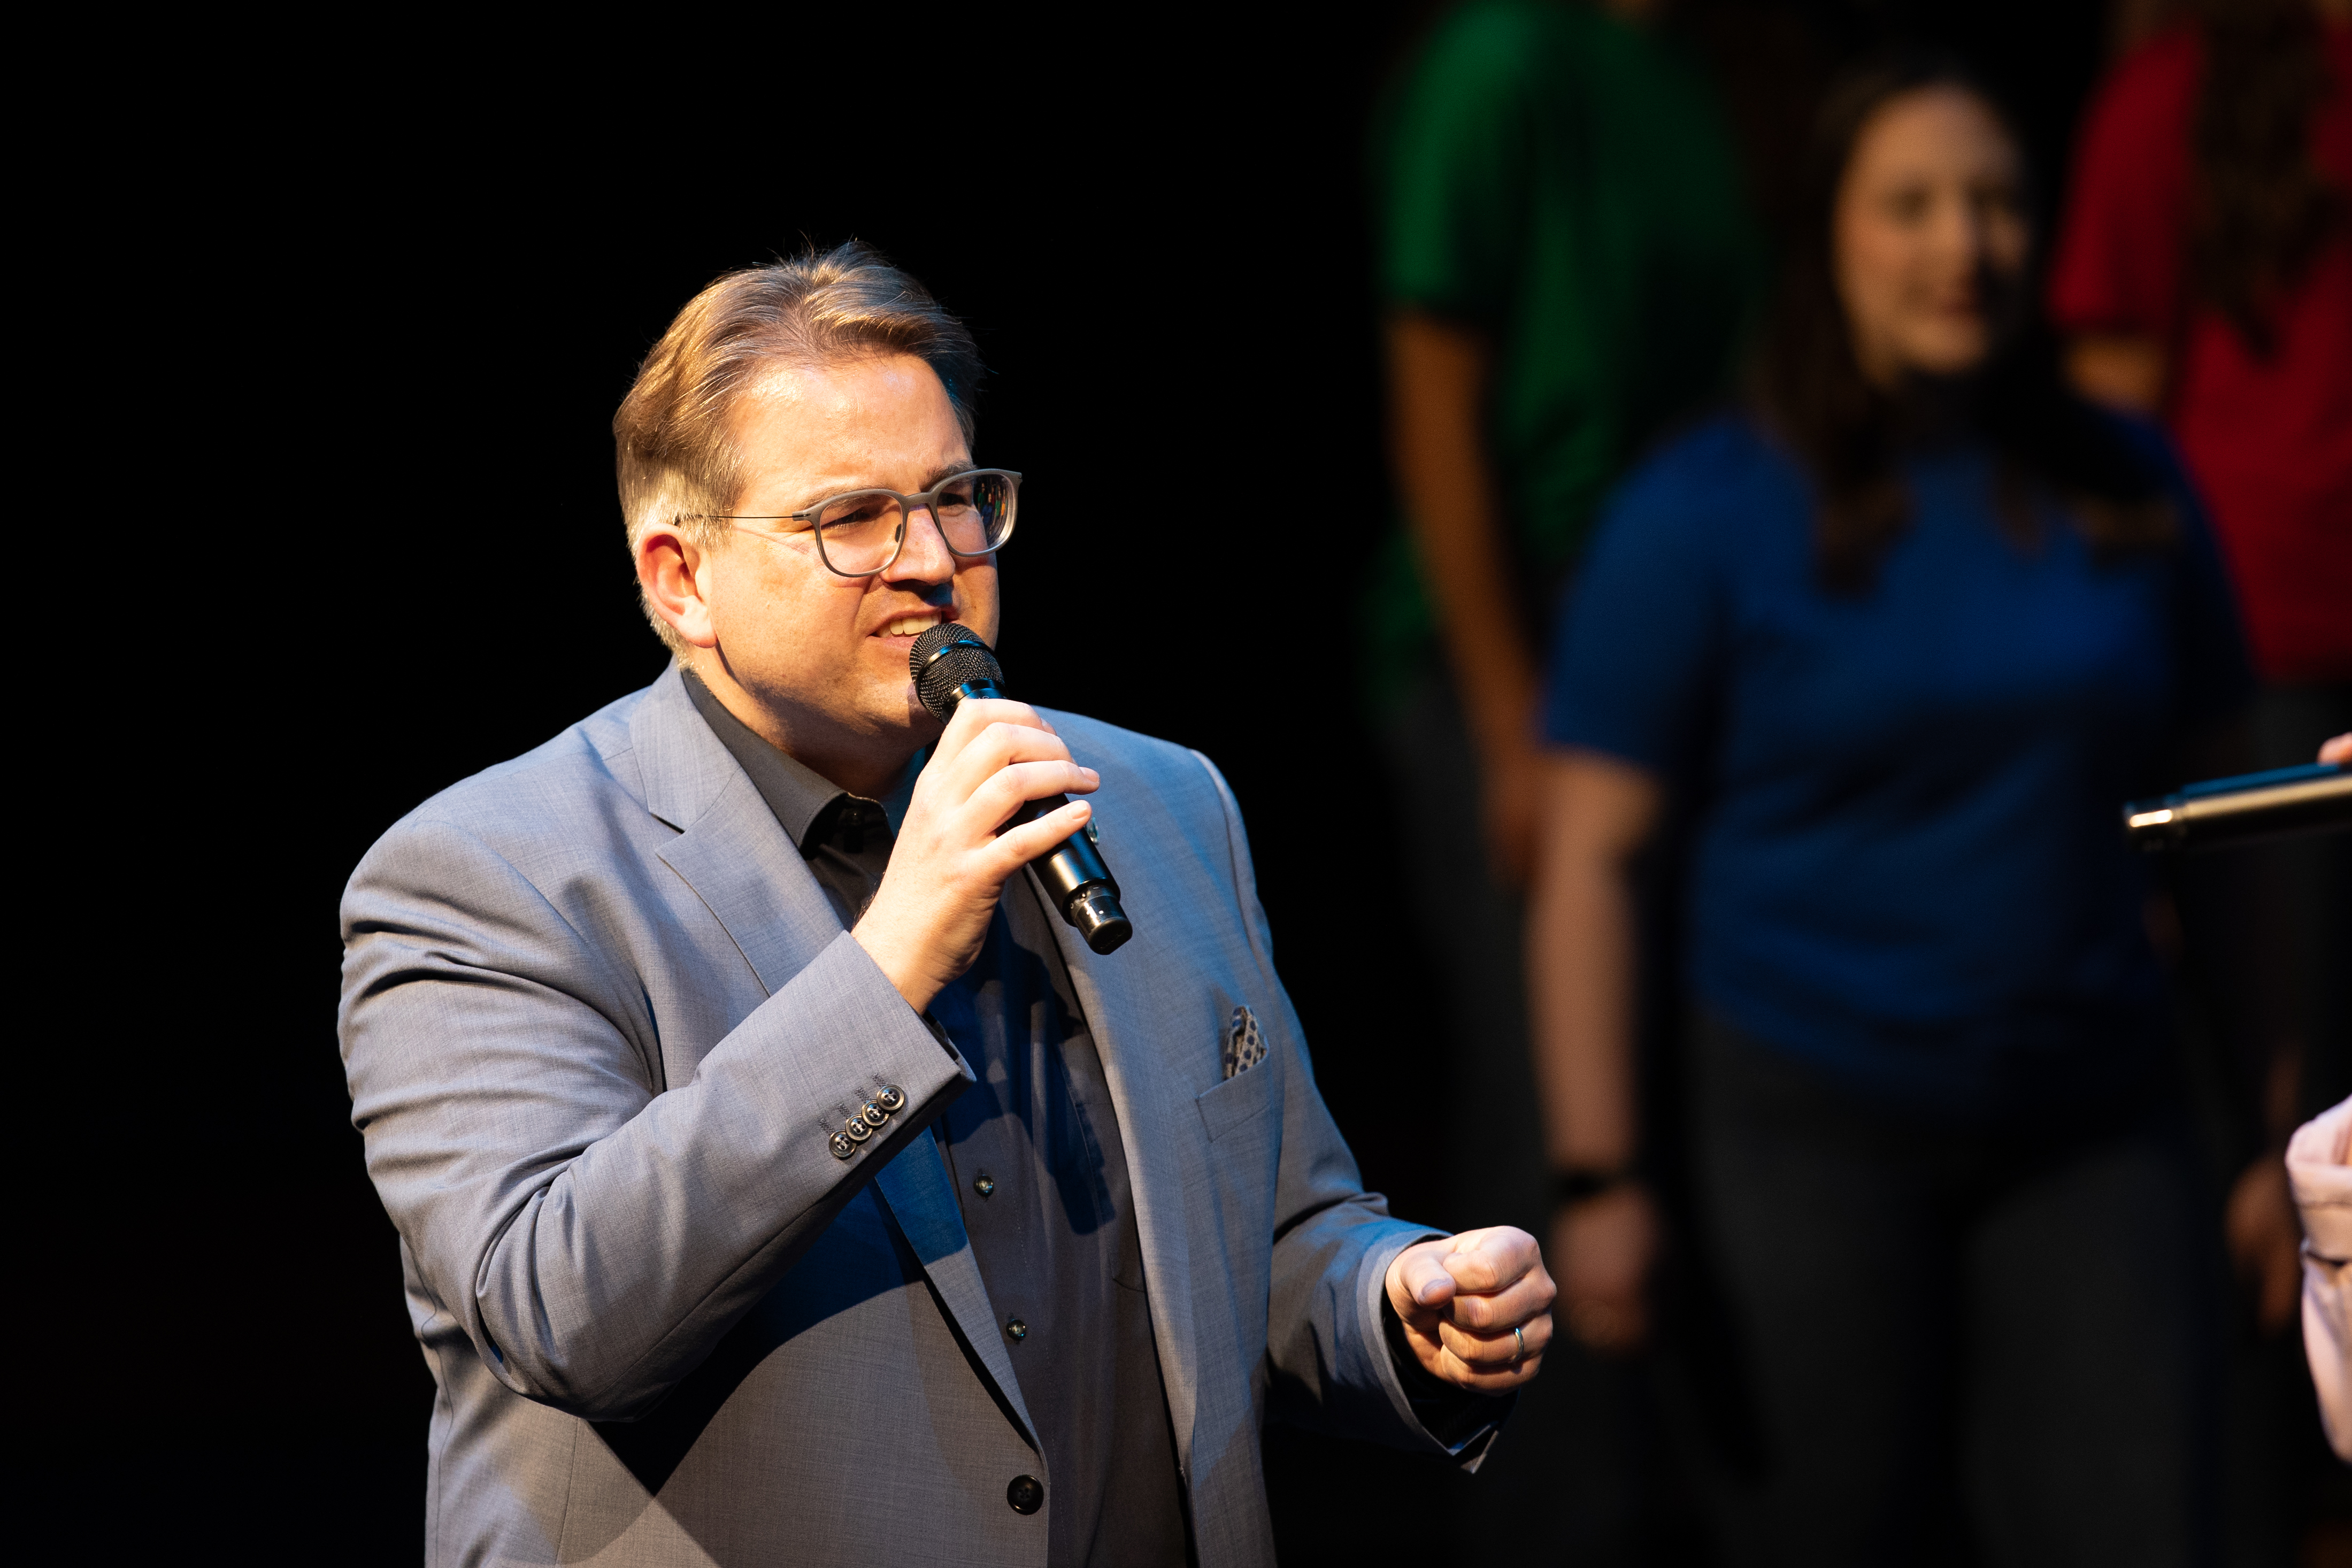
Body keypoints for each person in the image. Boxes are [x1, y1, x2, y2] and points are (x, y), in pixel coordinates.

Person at [337, 247, 1555, 1566]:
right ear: (682, 578)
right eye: (852, 518)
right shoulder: (490, 872)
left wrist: (1391, 1307)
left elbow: (1269, 1237)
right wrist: (887, 968)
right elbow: (557, 1309)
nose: (931, 560)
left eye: (958, 498)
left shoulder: (1159, 803)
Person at [1527, 56, 2249, 1564]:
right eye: (1910, 205)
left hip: (2090, 1119)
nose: (1962, 243)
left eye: (1996, 202)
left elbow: (2231, 820)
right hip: (1806, 1126)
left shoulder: (2122, 480)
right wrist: (1599, 1174)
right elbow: (1591, 857)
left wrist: (2270, 1110)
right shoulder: (1703, 508)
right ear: (1826, 238)